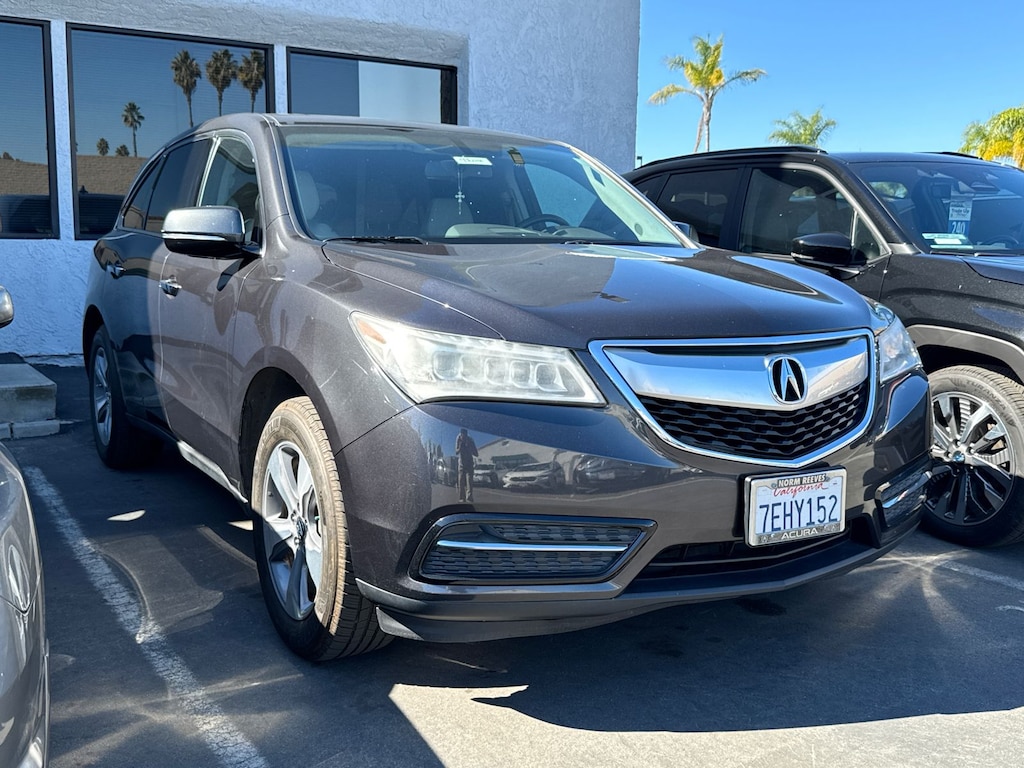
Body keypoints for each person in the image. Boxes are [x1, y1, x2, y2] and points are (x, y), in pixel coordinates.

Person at [455, 428, 478, 502]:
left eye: (465, 435)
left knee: (469, 481)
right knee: (461, 480)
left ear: (467, 435)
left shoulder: (470, 440)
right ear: (461, 434)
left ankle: (469, 497)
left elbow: (476, 454)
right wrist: (460, 447)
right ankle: (462, 498)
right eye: (462, 435)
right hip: (461, 463)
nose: (463, 437)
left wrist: (470, 447)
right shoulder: (458, 439)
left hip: (469, 463)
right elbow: (456, 452)